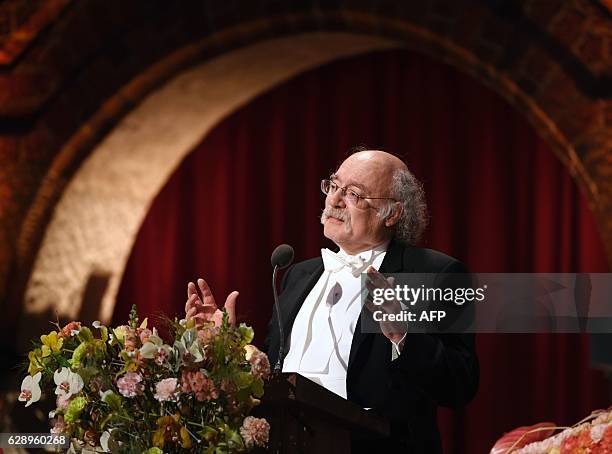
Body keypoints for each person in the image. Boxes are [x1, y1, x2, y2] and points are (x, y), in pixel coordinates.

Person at [186, 149, 479, 453]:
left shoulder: (434, 273)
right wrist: (227, 346)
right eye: (334, 185)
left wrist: (405, 336)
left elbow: (459, 385)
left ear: (391, 213)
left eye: (354, 193)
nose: (334, 200)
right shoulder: (298, 275)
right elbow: (274, 376)